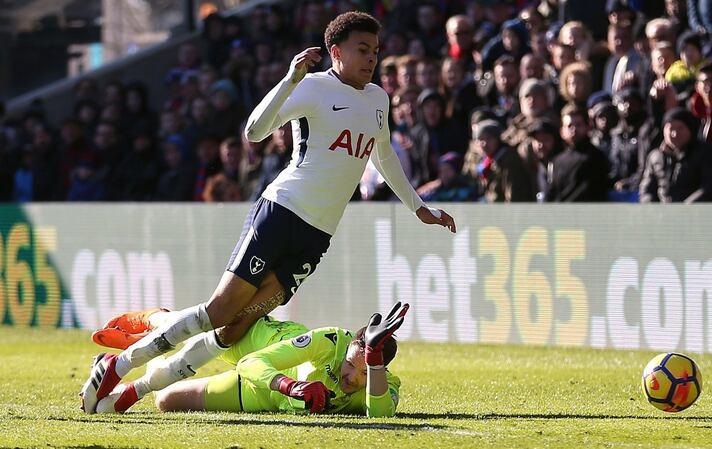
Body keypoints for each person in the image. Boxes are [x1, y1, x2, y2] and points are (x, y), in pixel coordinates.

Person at [80, 11, 456, 414]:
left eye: (375, 51)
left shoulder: (378, 99)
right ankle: (119, 364)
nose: (371, 59)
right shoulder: (312, 88)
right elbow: (254, 131)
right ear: (335, 52)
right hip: (281, 213)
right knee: (219, 311)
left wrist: (417, 207)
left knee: (236, 326)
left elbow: (383, 156)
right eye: (362, 49)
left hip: (316, 237)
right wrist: (290, 78)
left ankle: (133, 394)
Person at [93, 302, 408, 417]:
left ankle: (148, 353)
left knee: (164, 400)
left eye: (364, 373)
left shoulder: (384, 382)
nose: (351, 375)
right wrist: (292, 386)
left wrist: (373, 361)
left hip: (262, 396)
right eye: (351, 363)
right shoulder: (328, 341)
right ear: (349, 348)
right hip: (257, 343)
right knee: (188, 333)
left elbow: (380, 413)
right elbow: (252, 365)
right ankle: (156, 319)